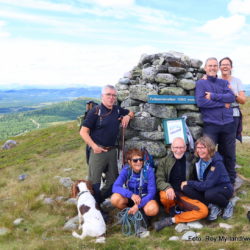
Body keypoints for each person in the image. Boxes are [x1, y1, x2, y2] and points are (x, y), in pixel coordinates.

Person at [80, 85, 134, 206]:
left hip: (112, 151)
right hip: (97, 150)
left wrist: (128, 116)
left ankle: (97, 202)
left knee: (113, 181)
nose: (111, 98)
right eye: (108, 95)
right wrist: (94, 146)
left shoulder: (117, 110)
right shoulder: (95, 112)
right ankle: (93, 206)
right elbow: (83, 132)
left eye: (114, 95)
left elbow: (131, 112)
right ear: (102, 96)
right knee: (94, 182)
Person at [195, 57, 236, 184]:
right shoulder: (201, 83)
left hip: (228, 124)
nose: (212, 68)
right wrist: (223, 104)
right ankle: (209, 180)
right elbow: (201, 102)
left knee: (229, 154)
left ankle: (230, 180)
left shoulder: (223, 83)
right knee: (209, 154)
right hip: (211, 125)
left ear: (217, 68)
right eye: (210, 66)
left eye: (214, 66)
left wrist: (213, 96)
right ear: (205, 68)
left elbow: (231, 97)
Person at [153, 137, 208, 231]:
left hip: (184, 195)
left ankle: (172, 219)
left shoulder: (191, 161)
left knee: (204, 211)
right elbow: (159, 180)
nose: (179, 150)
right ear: (171, 148)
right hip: (170, 194)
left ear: (185, 148)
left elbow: (198, 178)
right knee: (164, 196)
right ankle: (171, 210)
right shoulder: (164, 162)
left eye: (181, 147)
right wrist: (167, 187)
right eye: (176, 147)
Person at [181, 136, 234, 221]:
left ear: (209, 148)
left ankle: (227, 205)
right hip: (208, 187)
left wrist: (189, 182)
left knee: (209, 194)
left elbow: (207, 185)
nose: (200, 150)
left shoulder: (217, 163)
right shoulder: (198, 160)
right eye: (198, 148)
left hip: (224, 188)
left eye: (203, 148)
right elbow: (200, 181)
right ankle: (213, 206)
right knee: (186, 188)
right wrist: (188, 184)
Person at [111, 148, 159, 229]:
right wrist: (131, 195)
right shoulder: (126, 170)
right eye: (135, 160)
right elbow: (115, 187)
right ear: (129, 162)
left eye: (140, 159)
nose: (139, 162)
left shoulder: (149, 171)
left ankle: (143, 216)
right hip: (131, 198)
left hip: (145, 199)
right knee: (114, 198)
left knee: (153, 209)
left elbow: (152, 193)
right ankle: (129, 214)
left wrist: (138, 205)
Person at [219, 57, 247, 141]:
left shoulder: (237, 81)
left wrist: (233, 93)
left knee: (230, 142)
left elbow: (243, 101)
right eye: (223, 65)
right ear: (219, 67)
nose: (225, 66)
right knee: (220, 141)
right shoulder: (216, 79)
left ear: (231, 67)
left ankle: (230, 154)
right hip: (219, 114)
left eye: (227, 64)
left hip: (233, 115)